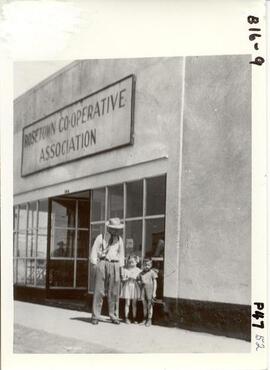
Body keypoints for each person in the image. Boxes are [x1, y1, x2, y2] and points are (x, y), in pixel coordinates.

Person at [90, 217, 125, 325]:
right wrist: (95, 264)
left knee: (114, 292)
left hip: (115, 265)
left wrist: (121, 269)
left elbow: (121, 255)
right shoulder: (100, 237)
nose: (116, 230)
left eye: (117, 229)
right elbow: (94, 252)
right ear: (108, 228)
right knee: (99, 291)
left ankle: (113, 315)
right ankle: (95, 316)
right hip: (102, 263)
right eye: (114, 228)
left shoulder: (119, 239)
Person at [120, 255, 141, 324]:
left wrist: (137, 280)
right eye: (130, 262)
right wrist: (126, 278)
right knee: (127, 303)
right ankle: (126, 317)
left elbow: (140, 281)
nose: (131, 264)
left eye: (133, 262)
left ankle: (134, 318)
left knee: (134, 303)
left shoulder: (138, 270)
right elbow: (122, 280)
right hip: (128, 287)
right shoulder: (125, 270)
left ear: (136, 262)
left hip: (135, 287)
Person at [137, 258, 158, 327]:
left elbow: (155, 282)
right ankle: (144, 318)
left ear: (151, 265)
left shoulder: (152, 272)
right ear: (143, 265)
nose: (147, 266)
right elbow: (138, 280)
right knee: (144, 305)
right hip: (143, 289)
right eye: (145, 265)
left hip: (150, 290)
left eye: (148, 265)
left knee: (150, 305)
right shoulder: (141, 273)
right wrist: (140, 282)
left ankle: (149, 319)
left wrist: (154, 292)